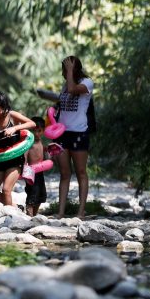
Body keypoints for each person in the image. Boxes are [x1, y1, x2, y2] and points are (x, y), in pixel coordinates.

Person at [55, 55, 94, 218]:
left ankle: (80, 212)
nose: (63, 73)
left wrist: (70, 70)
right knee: (64, 173)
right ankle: (61, 212)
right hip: (62, 133)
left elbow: (73, 90)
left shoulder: (87, 83)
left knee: (80, 171)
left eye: (65, 70)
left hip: (79, 133)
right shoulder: (66, 85)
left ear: (74, 69)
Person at [24, 117, 50, 216]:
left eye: (39, 131)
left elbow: (43, 154)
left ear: (43, 131)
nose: (36, 133)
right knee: (32, 194)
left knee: (42, 194)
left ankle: (34, 215)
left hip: (40, 173)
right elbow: (25, 154)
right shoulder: (29, 142)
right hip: (31, 173)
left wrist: (47, 151)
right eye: (34, 131)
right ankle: (29, 213)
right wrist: (25, 168)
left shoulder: (41, 142)